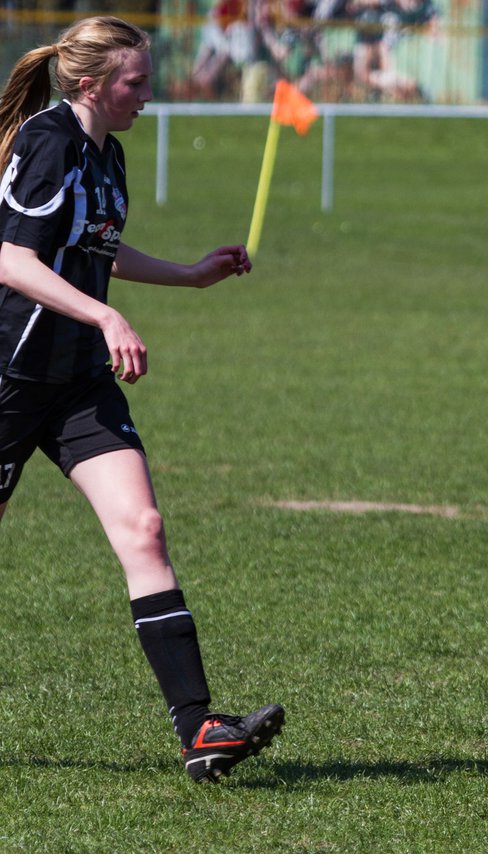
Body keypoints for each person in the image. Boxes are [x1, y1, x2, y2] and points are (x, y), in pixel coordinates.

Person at [0, 16, 284, 782]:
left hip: (76, 383)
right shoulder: (49, 140)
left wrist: (189, 274)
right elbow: (12, 259)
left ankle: (200, 732)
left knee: (145, 528)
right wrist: (103, 313)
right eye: (136, 82)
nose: (149, 96)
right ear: (90, 82)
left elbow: (96, 247)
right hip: (10, 371)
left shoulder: (106, 153)